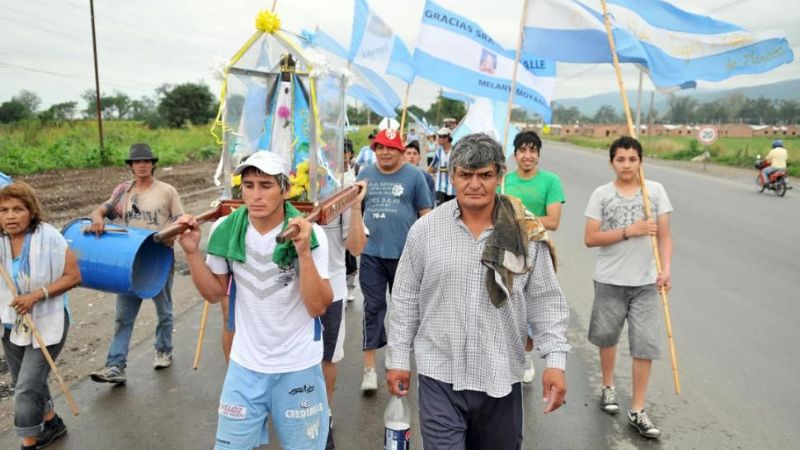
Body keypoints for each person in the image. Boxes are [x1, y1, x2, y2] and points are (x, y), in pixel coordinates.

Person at [386, 133, 569, 450]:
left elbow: (546, 302)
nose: (474, 184)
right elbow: (404, 300)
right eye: (466, 175)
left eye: (484, 175)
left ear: (500, 176)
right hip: (440, 374)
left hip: (501, 375)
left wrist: (555, 361)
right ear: (452, 176)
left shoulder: (524, 233)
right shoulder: (426, 231)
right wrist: (398, 358)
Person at [176, 151, 333, 450]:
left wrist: (303, 253)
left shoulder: (309, 234)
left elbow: (317, 306)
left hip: (298, 364)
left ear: (285, 190)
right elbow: (214, 293)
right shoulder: (226, 229)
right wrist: (192, 253)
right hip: (245, 365)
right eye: (248, 185)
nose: (255, 195)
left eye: (266, 185)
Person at [584, 136, 673, 439]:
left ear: (640, 161)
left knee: (645, 344)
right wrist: (629, 231)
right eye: (620, 159)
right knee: (607, 337)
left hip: (646, 283)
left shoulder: (656, 191)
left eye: (632, 159)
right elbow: (591, 238)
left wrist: (666, 269)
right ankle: (608, 387)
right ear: (612, 162)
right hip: (610, 279)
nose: (626, 165)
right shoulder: (601, 194)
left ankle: (637, 408)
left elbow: (665, 236)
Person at [88, 143, 184, 384]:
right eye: (137, 162)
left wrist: (171, 235)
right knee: (123, 317)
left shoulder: (167, 191)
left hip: (159, 258)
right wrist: (98, 218)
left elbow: (180, 220)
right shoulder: (123, 190)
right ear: (131, 166)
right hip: (129, 261)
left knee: (164, 310)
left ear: (153, 164)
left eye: (146, 161)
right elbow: (101, 210)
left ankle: (163, 350)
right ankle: (115, 367)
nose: (142, 165)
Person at [1, 181, 81, 450]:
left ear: (31, 211)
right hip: (11, 321)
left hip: (49, 319)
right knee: (26, 379)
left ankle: (28, 443)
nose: (10, 216)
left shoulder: (49, 237)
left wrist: (37, 295)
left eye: (17, 209)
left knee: (25, 387)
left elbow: (73, 276)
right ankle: (52, 421)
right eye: (3, 210)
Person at [356, 129, 432, 392]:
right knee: (373, 308)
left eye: (391, 147)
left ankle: (397, 357)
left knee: (404, 310)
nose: (385, 152)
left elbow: (426, 214)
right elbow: (357, 212)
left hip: (405, 257)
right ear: (374, 149)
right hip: (371, 255)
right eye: (380, 147)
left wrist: (425, 252)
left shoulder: (415, 176)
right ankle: (369, 369)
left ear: (401, 151)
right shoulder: (364, 174)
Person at [503, 130, 566, 383]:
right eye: (522, 151)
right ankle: (509, 352)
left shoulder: (550, 181)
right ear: (515, 154)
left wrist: (520, 219)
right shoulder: (504, 182)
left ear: (538, 155)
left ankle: (527, 355)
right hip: (508, 249)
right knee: (509, 303)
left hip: (538, 249)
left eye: (532, 151)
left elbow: (553, 221)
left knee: (533, 305)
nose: (527, 156)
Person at [318, 146, 368, 449]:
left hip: (332, 289)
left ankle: (324, 411)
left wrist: (356, 205)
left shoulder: (341, 190)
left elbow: (356, 247)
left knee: (326, 357)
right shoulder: (282, 188)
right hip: (289, 290)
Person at [427, 127, 456, 206]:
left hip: (453, 187)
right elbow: (432, 166)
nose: (438, 139)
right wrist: (423, 177)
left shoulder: (456, 151)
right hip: (440, 187)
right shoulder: (438, 152)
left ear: (446, 138)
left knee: (452, 211)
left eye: (440, 137)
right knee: (440, 210)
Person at [404, 140, 436, 206]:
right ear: (403, 157)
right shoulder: (398, 175)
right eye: (408, 153)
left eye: (415, 153)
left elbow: (431, 202)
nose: (412, 156)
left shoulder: (427, 177)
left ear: (419, 158)